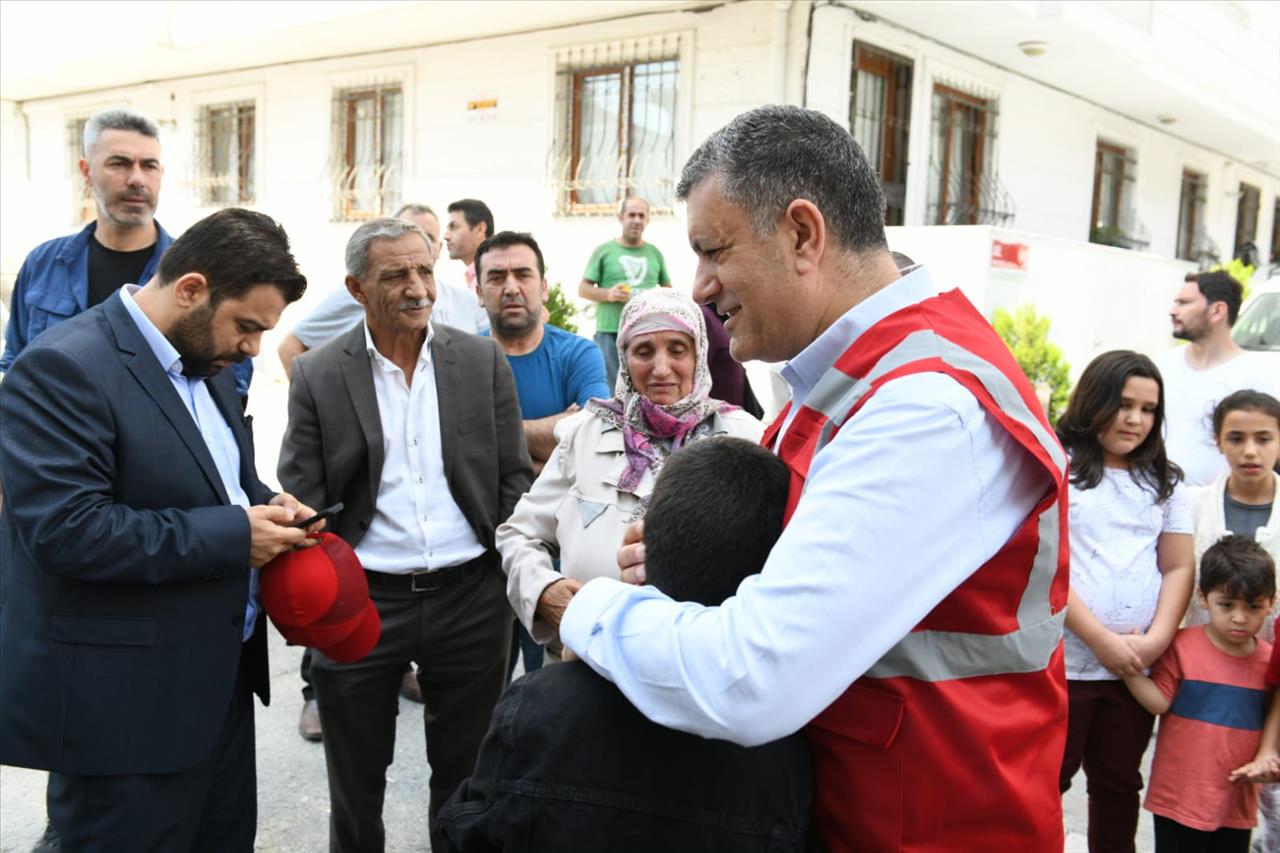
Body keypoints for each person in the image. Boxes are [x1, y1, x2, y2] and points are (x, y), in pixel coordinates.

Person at [556, 105, 1069, 852]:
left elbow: (751, 678)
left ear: (802, 233)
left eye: (711, 251)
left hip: (932, 827)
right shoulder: (843, 376)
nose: (699, 287)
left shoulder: (926, 406)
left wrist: (589, 610)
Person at [0, 208, 316, 850]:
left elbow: (218, 481)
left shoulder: (212, 363)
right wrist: (235, 535)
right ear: (192, 289)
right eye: (248, 327)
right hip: (123, 712)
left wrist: (269, 503)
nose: (254, 348)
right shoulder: (63, 366)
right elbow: (66, 530)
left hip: (217, 690)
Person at [277, 216, 532, 851]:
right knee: (356, 779)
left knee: (466, 775)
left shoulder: (479, 360)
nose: (418, 287)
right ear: (357, 288)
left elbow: (512, 477)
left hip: (472, 597)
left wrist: (505, 568)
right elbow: (301, 491)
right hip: (362, 600)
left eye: (424, 270)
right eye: (396, 275)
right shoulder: (320, 375)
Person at [439, 437, 812, 852]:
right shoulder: (782, 736)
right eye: (643, 363)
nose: (662, 369)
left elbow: (470, 829)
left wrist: (588, 617)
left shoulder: (538, 707)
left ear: (640, 544)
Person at [498, 287, 762, 659]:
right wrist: (543, 591)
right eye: (643, 351)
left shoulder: (742, 437)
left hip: (700, 663)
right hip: (585, 661)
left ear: (699, 355)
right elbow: (518, 534)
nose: (661, 368)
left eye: (677, 349)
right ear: (623, 358)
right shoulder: (587, 434)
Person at [1, 108, 253, 401]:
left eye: (149, 166)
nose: (136, 179)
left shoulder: (198, 275)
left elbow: (230, 391)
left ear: (161, 174)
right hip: (54, 441)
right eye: (119, 164)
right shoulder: (43, 264)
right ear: (87, 172)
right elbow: (17, 366)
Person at [1057, 350, 1195, 853]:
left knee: (1118, 786)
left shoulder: (1165, 480)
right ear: (1093, 400)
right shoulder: (1058, 468)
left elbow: (1178, 565)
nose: (1135, 419)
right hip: (1065, 666)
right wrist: (1098, 639)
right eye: (1123, 404)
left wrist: (1155, 642)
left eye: (1148, 408)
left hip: (1133, 674)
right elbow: (1048, 565)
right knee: (1050, 781)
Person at [473, 230, 610, 680]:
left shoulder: (579, 354)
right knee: (484, 693)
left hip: (557, 548)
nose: (511, 286)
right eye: (496, 276)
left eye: (522, 273)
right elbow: (453, 450)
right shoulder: (461, 361)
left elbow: (591, 437)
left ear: (544, 285)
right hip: (477, 548)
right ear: (477, 290)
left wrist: (488, 433)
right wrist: (554, 431)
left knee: (554, 685)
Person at [1124, 535, 1275, 852]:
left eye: (1253, 607)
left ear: (1270, 604)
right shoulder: (1181, 646)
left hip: (1235, 803)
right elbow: (1159, 701)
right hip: (1178, 798)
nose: (1239, 617)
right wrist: (1129, 669)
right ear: (1203, 598)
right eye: (1227, 604)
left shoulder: (1268, 661)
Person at [1185, 390, 1280, 849]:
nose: (1249, 451)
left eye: (1263, 438)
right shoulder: (1192, 506)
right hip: (1207, 683)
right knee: (1210, 798)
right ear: (1217, 441)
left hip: (1274, 674)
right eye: (1236, 438)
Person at [276, 202, 487, 380]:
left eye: (428, 237)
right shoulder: (361, 293)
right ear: (358, 290)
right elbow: (291, 347)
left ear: (439, 248)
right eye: (407, 231)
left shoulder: (467, 302)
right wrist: (321, 405)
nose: (417, 293)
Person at [1157, 271, 1280, 486]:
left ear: (1217, 311)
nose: (1173, 311)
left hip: (1216, 511)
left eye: (1184, 303)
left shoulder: (1259, 378)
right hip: (1158, 501)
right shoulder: (1160, 365)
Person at [578, 196, 672, 388]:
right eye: (631, 215)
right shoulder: (604, 251)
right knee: (612, 390)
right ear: (620, 217)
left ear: (647, 220)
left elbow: (669, 292)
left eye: (641, 215)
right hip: (609, 333)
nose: (636, 220)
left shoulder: (655, 253)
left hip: (645, 332)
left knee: (644, 388)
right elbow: (583, 289)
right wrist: (608, 294)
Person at [443, 198, 493, 296]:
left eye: (454, 227)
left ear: (480, 229)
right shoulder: (476, 276)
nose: (446, 236)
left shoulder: (492, 277)